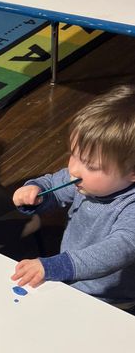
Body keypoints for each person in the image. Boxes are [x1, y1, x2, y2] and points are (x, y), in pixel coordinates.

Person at [11, 85, 135, 310]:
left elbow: (120, 249)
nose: (74, 169)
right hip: (72, 281)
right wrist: (35, 192)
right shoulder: (84, 181)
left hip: (112, 301)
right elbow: (53, 186)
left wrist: (57, 266)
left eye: (90, 165)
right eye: (74, 155)